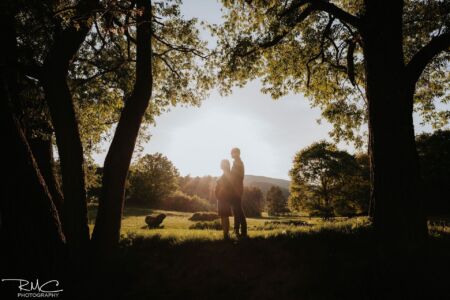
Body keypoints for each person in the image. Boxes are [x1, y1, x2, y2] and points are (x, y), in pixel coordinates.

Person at [230, 147, 247, 238]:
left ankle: (243, 232)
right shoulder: (236, 162)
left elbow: (238, 176)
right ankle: (237, 231)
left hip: (237, 190)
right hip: (235, 189)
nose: (231, 154)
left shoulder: (238, 163)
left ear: (237, 153)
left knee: (238, 210)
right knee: (236, 211)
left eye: (232, 152)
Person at [215, 159, 233, 239]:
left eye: (222, 164)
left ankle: (226, 234)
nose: (220, 165)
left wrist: (219, 193)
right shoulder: (226, 174)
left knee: (224, 216)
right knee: (224, 216)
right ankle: (225, 233)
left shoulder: (227, 175)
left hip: (224, 199)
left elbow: (225, 186)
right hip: (222, 198)